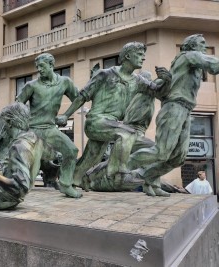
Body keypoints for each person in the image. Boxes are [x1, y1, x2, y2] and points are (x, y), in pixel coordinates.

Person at [56, 42, 166, 191]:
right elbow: (83, 96)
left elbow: (159, 92)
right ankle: (117, 173)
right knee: (126, 133)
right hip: (96, 121)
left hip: (112, 125)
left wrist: (168, 80)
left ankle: (68, 180)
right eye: (139, 54)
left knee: (92, 158)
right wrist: (65, 115)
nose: (143, 58)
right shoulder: (105, 74)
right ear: (127, 56)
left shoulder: (138, 81)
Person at [127, 34, 219, 191]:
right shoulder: (189, 56)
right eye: (201, 43)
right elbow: (213, 65)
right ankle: (122, 168)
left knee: (178, 158)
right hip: (174, 108)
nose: (205, 46)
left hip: (185, 111)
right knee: (161, 152)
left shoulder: (192, 65)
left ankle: (147, 177)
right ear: (191, 46)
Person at [16, 53, 81, 198]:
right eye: (37, 67)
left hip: (50, 129)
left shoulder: (64, 82)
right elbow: (18, 105)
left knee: (71, 150)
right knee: (27, 160)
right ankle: (17, 187)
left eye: (42, 66)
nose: (39, 69)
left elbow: (78, 99)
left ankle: (65, 184)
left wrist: (66, 115)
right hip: (32, 130)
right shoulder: (31, 86)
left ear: (51, 65)